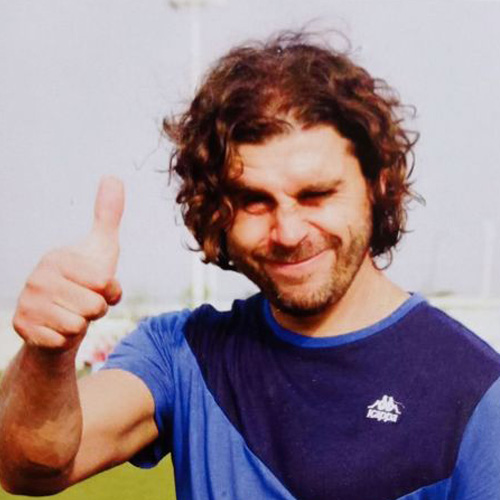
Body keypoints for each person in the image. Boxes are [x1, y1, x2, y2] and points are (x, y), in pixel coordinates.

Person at [0, 30, 499, 500]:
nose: (288, 232)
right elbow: (27, 467)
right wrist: (48, 352)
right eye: (254, 201)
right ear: (215, 210)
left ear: (377, 187)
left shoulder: (475, 392)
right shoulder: (181, 355)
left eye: (316, 194)